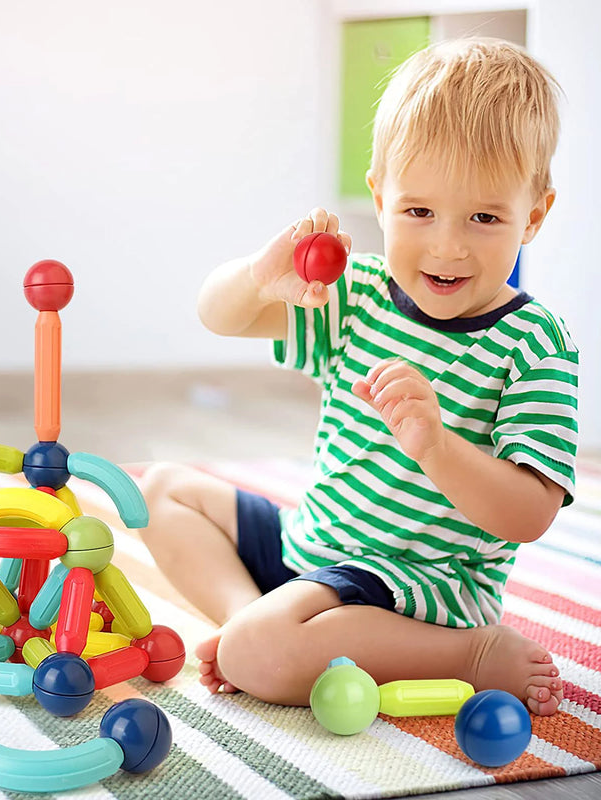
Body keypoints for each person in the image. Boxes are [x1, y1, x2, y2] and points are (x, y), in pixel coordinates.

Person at [139, 38, 578, 716]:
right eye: (419, 211)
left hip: (419, 586)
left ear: (534, 217)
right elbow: (217, 315)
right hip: (315, 544)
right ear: (379, 197)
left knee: (266, 653)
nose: (447, 246)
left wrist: (436, 444)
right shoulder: (362, 295)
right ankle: (246, 621)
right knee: (163, 488)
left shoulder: (534, 344)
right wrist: (261, 276)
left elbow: (529, 514)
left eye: (485, 218)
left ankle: (472, 654)